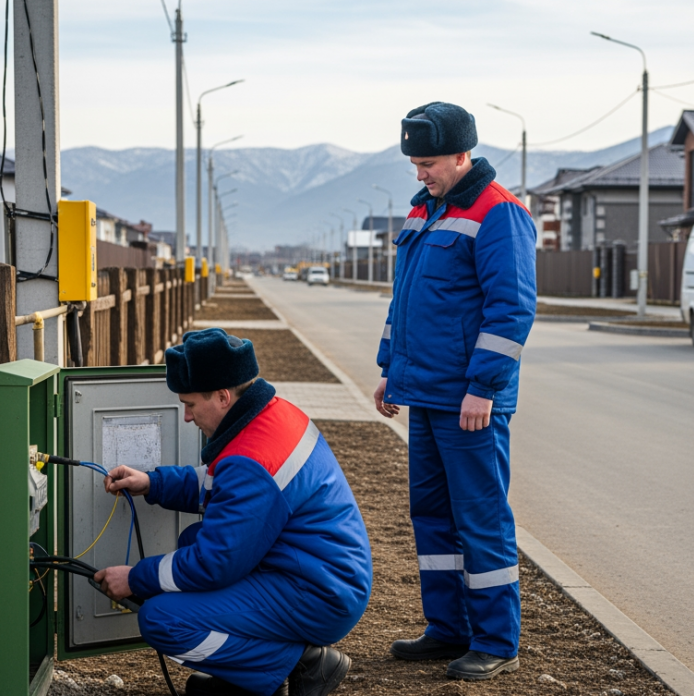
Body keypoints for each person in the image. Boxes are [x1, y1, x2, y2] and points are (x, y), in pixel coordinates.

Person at [94, 328, 372, 696]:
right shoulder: (267, 417)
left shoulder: (251, 460)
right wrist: (152, 482)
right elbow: (221, 485)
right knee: (192, 539)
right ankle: (251, 673)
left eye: (191, 404)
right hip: (320, 571)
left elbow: (215, 561)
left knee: (162, 619)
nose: (187, 416)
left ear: (223, 397)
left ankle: (300, 662)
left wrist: (136, 578)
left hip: (320, 594)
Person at [373, 102, 536, 681]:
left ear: (462, 155)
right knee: (433, 516)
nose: (421, 173)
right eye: (415, 163)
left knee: (481, 519)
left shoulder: (499, 214)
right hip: (425, 392)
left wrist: (483, 388)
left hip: (470, 402)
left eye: (429, 162)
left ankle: (495, 640)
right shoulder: (424, 212)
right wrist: (390, 367)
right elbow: (406, 302)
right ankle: (448, 630)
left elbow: (511, 308)